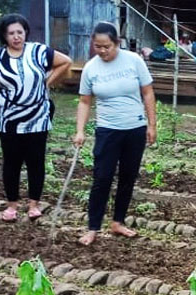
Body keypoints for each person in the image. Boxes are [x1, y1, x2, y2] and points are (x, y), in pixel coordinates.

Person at [0, 13, 72, 222]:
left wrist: (46, 82)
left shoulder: (39, 51)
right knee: (12, 162)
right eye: (11, 33)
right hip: (8, 119)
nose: (16, 37)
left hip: (38, 117)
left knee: (36, 161)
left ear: (25, 32)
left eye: (20, 32)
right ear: (4, 36)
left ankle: (34, 205)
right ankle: (12, 206)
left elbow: (66, 63)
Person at [73, 22, 157, 245]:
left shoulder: (134, 61)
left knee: (128, 177)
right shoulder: (91, 68)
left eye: (106, 46)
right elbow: (84, 101)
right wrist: (80, 130)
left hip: (134, 129)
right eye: (97, 46)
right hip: (107, 130)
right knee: (102, 178)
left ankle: (118, 222)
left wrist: (152, 125)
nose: (102, 51)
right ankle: (93, 228)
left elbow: (148, 93)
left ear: (117, 43)